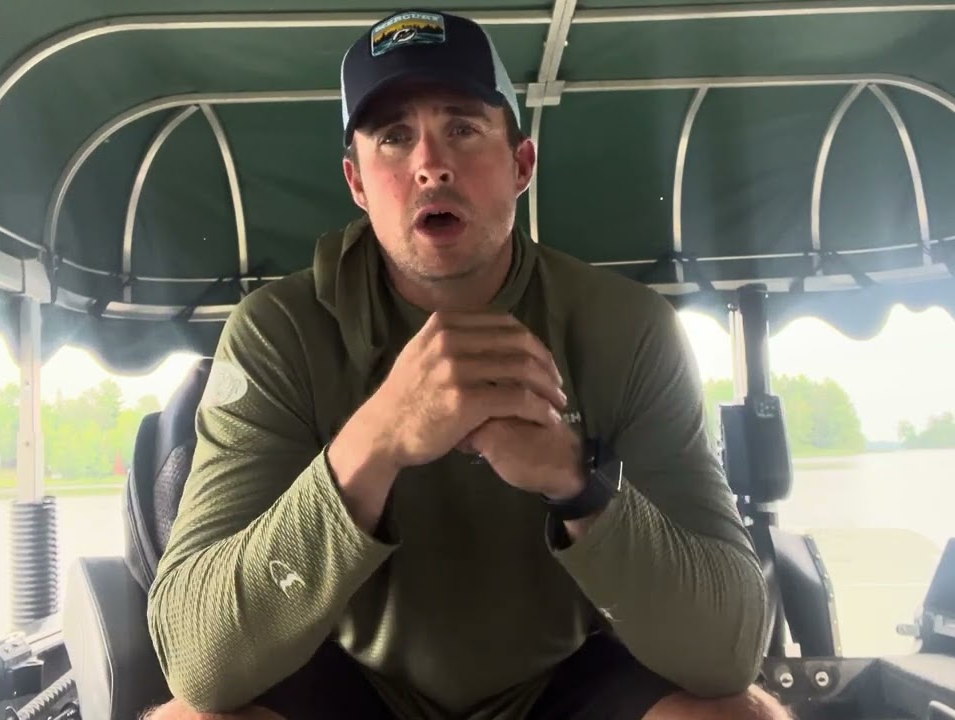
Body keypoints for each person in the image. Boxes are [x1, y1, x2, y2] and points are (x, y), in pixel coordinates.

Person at [144, 8, 786, 720]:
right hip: (361, 684)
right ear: (357, 183)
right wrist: (374, 441)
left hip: (562, 681)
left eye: (463, 127)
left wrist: (577, 485)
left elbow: (729, 650)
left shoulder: (628, 329)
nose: (430, 163)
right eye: (393, 137)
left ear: (521, 165)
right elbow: (196, 660)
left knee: (738, 714)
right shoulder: (278, 334)